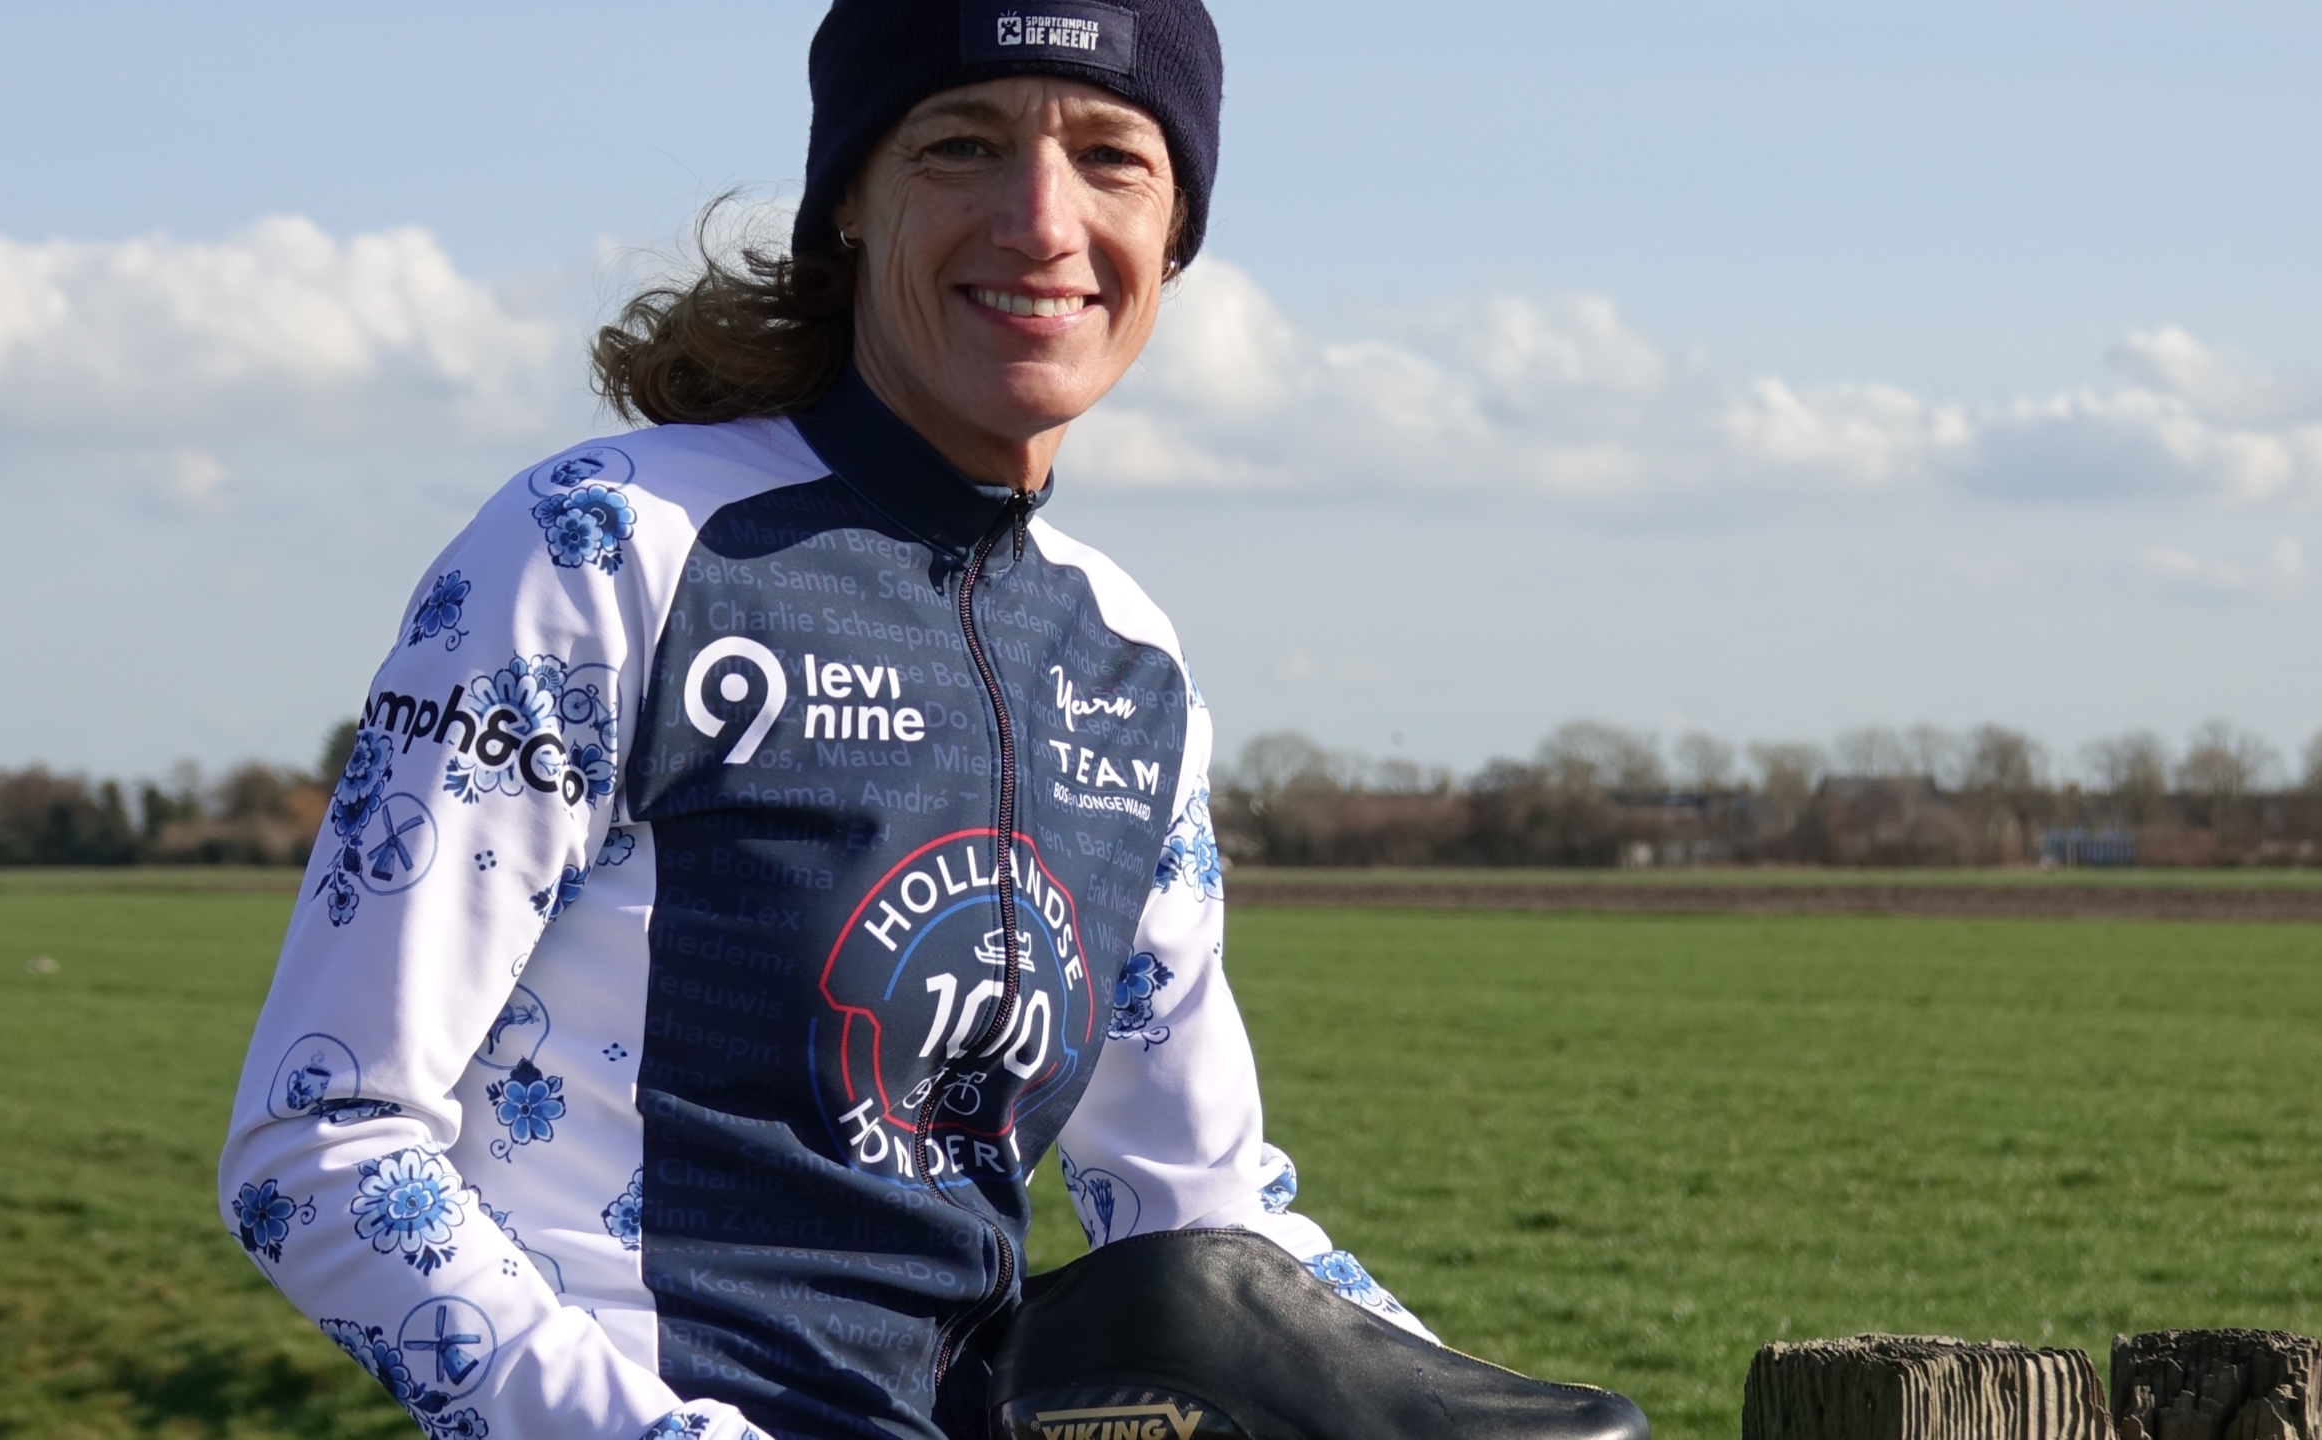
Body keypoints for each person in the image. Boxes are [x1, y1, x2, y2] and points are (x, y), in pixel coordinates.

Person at [217, 4, 1439, 1438]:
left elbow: (1198, 1220)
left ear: (1175, 235)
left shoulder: (1131, 659)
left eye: (1113, 157)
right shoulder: (605, 548)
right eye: (962, 145)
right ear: (849, 199)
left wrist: (1481, 1406)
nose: (1042, 222)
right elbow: (323, 1141)